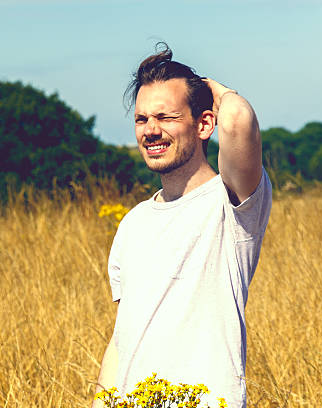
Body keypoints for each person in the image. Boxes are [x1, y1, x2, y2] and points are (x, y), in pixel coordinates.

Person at [92, 43, 272, 408]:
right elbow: (122, 336)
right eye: (142, 119)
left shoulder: (232, 202)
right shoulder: (133, 223)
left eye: (167, 117)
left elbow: (237, 120)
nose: (150, 131)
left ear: (205, 123)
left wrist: (208, 86)